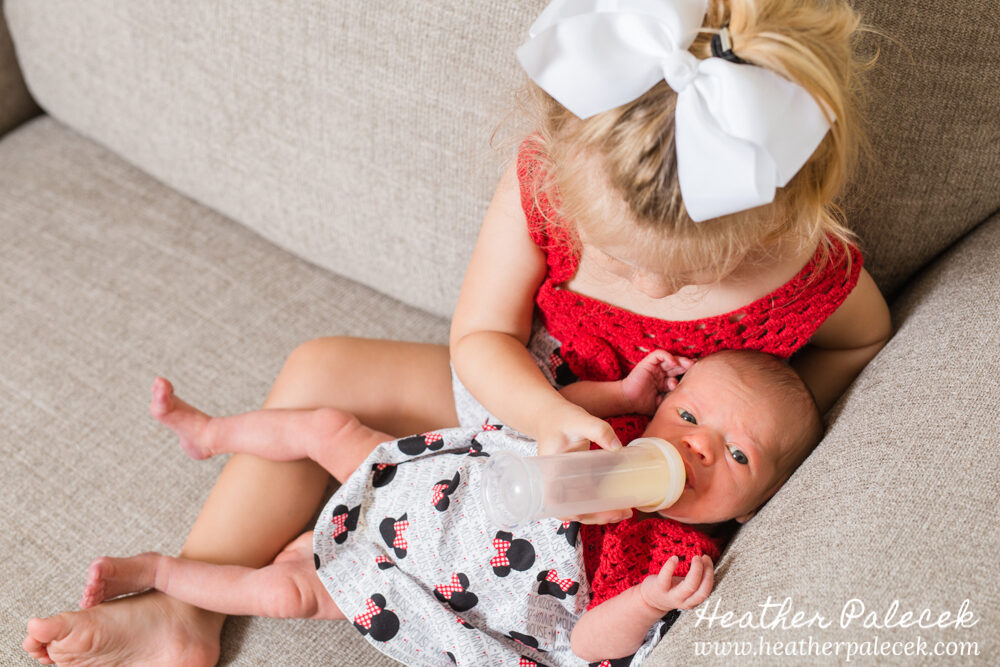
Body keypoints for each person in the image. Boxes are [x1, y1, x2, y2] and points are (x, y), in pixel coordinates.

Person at [23, 0, 891, 664]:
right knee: (322, 367)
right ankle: (188, 606)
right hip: (534, 391)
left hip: (633, 478)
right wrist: (549, 418)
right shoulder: (544, 183)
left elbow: (859, 341)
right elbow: (480, 339)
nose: (656, 288)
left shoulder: (799, 258)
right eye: (624, 264)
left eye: (694, 275)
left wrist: (749, 425)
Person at [71, 350, 822, 665]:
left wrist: (651, 599)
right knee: (327, 426)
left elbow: (591, 642)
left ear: (758, 503)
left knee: (284, 590)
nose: (696, 449)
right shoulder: (619, 436)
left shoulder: (669, 558)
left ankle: (166, 575)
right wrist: (620, 396)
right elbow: (554, 413)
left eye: (737, 455)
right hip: (426, 486)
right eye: (690, 419)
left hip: (419, 573)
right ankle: (211, 433)